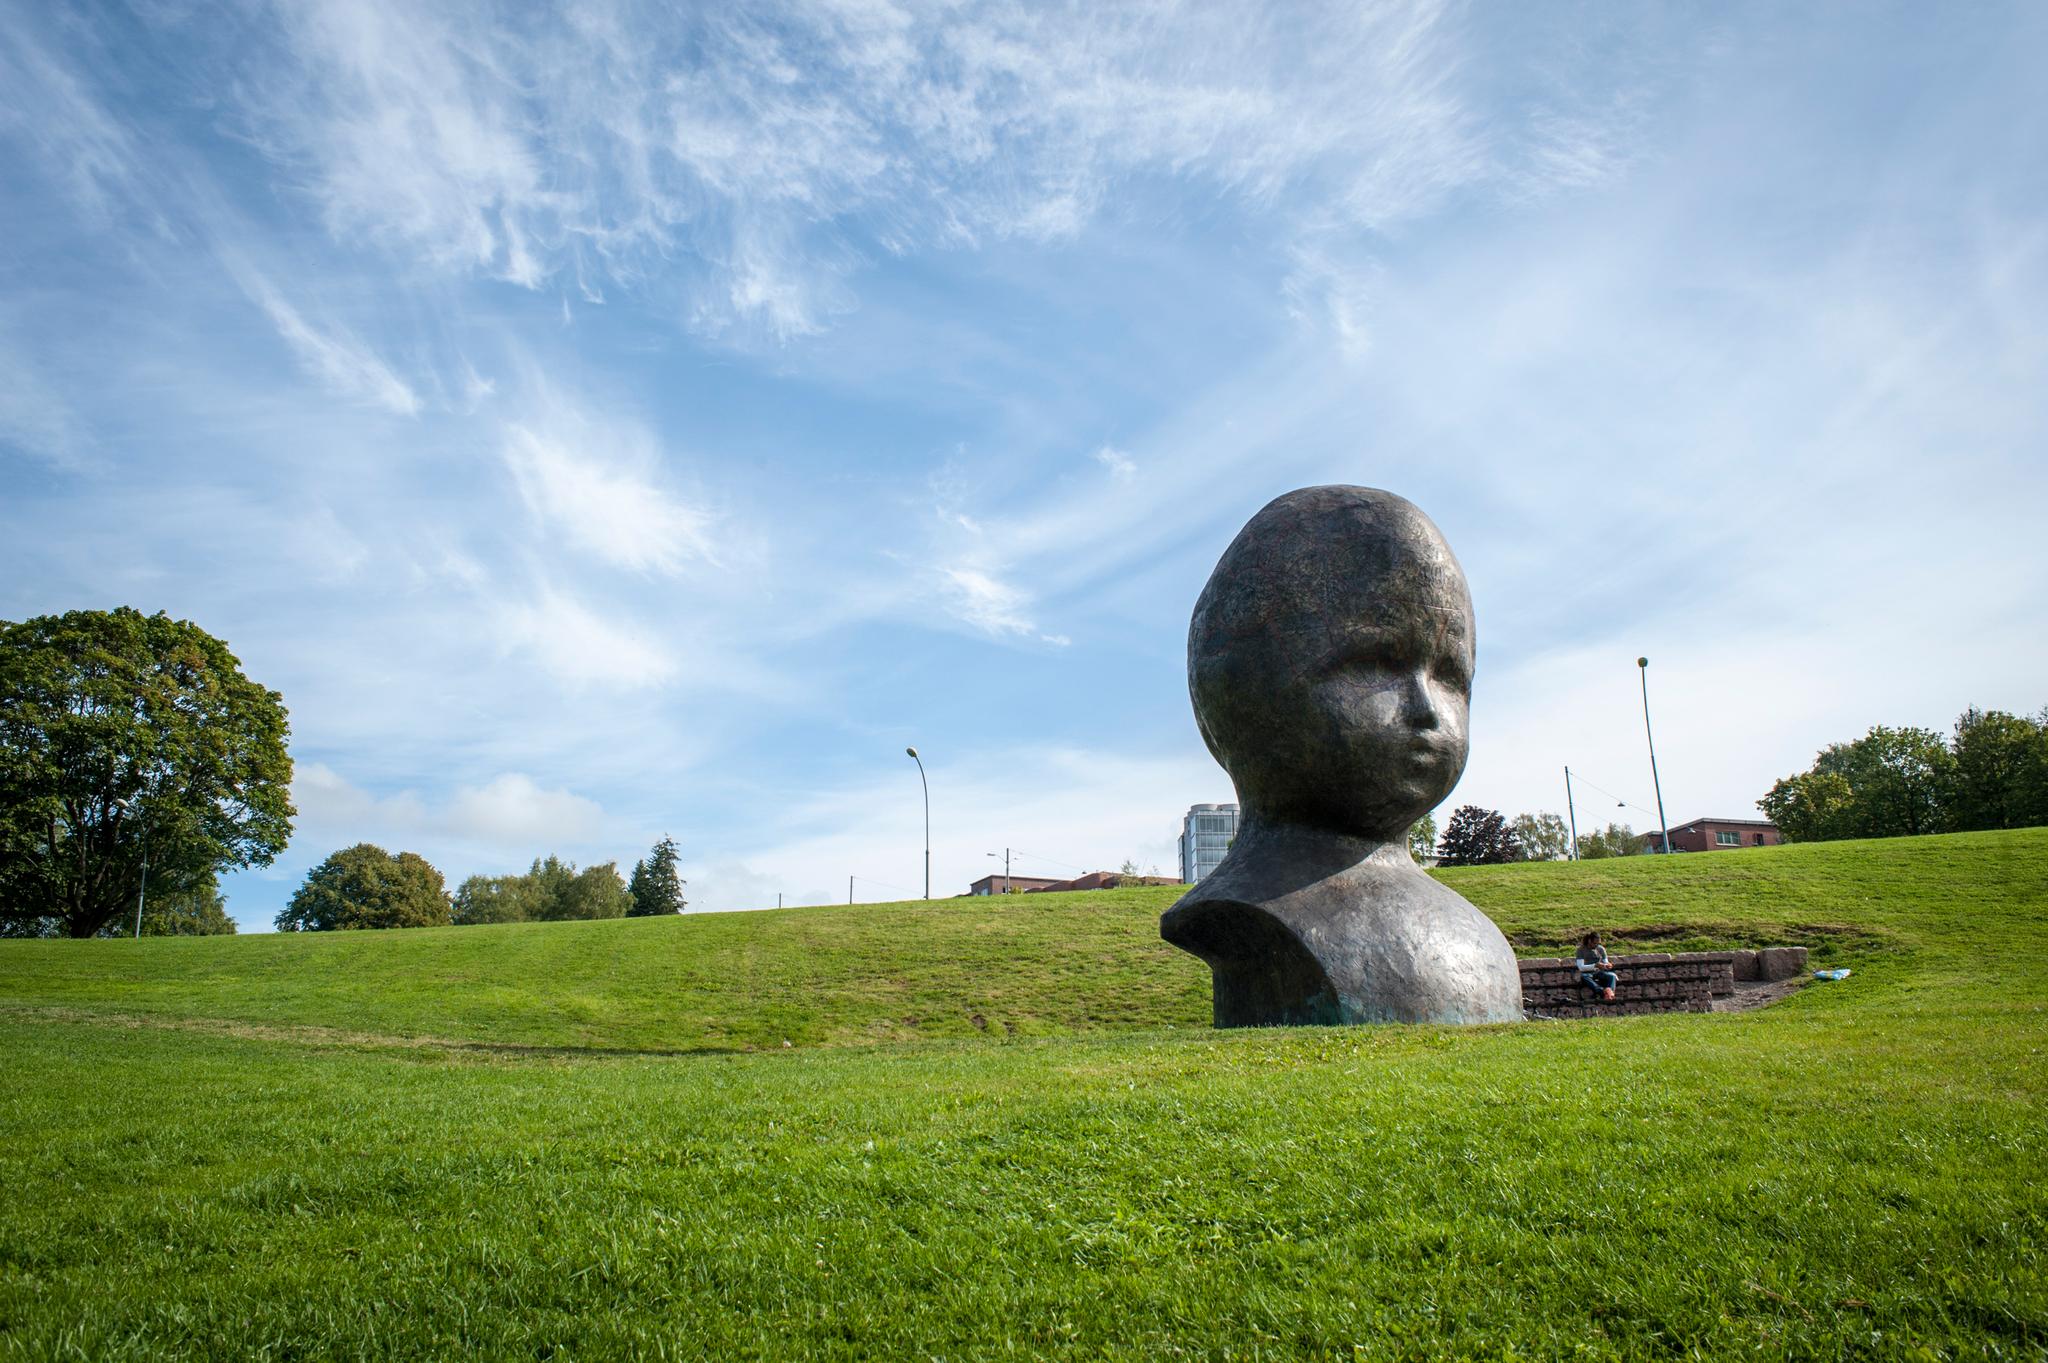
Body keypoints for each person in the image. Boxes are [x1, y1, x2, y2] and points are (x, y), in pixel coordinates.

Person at [1576, 931, 1619, 1001]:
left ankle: (1609, 993)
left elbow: (1605, 961)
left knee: (1612, 976)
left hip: (1599, 972)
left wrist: (1607, 965)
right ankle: (1604, 992)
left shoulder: (1600, 949)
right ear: (1589, 941)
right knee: (1584, 977)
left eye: (1598, 943)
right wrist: (1595, 965)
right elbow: (1581, 967)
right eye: (1595, 943)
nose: (1596, 945)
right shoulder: (1581, 950)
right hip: (1587, 973)